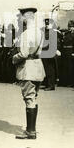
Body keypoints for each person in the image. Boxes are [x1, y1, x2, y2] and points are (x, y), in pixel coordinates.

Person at [12, 7, 46, 140]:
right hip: (38, 67)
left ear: (26, 18)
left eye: (21, 17)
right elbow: (39, 52)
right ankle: (31, 129)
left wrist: (14, 58)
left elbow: (24, 54)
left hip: (28, 69)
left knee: (29, 99)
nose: (20, 20)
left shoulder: (25, 34)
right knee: (34, 98)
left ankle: (30, 131)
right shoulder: (40, 33)